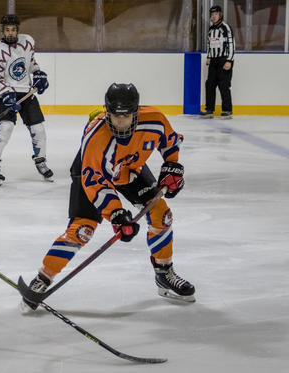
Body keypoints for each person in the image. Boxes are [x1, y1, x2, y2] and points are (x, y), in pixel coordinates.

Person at [20, 83, 196, 312]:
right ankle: (43, 279)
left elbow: (170, 142)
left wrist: (172, 166)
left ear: (136, 112)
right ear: (107, 112)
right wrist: (116, 214)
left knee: (161, 214)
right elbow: (95, 182)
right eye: (115, 116)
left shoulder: (154, 119)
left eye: (126, 116)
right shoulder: (96, 138)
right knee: (83, 229)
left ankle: (164, 273)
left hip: (130, 169)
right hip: (91, 174)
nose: (120, 122)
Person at [0, 14, 52, 186]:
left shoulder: (27, 41)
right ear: (2, 31)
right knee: (5, 129)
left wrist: (38, 74)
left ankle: (41, 161)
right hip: (7, 95)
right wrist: (7, 95)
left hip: (26, 94)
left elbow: (31, 63)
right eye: (7, 30)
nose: (10, 33)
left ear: (18, 30)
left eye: (13, 29)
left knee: (39, 129)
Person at [200, 5, 235, 119]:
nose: (213, 16)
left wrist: (229, 60)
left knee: (223, 85)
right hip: (214, 61)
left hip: (224, 60)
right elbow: (210, 44)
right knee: (209, 84)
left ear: (220, 15)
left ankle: (227, 110)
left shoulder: (225, 27)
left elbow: (231, 45)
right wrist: (209, 56)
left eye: (215, 14)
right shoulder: (211, 29)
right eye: (212, 14)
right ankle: (209, 110)